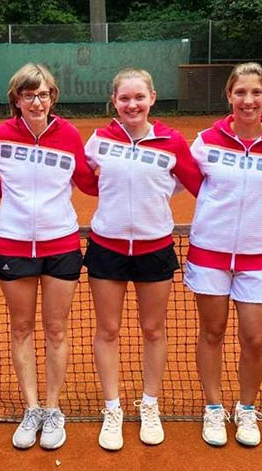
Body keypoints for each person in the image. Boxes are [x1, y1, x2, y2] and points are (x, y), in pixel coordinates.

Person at [0, 63, 98, 450]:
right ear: (17, 99)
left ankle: (53, 408)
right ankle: (31, 409)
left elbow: (87, 181)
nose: (36, 101)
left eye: (43, 94)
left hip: (61, 244)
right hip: (14, 245)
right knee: (21, 328)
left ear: (53, 97)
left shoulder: (68, 136)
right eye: (28, 95)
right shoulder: (0, 136)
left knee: (57, 329)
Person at [83, 68, 202, 450]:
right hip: (107, 248)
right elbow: (86, 180)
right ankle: (112, 408)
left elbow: (190, 182)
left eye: (138, 97)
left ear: (152, 97)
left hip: (154, 249)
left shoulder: (172, 141)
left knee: (153, 329)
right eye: (124, 98)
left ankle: (149, 404)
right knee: (108, 330)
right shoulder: (99, 140)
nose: (131, 105)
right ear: (114, 102)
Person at [186, 63, 262, 447]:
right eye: (240, 93)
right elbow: (179, 180)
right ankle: (214, 408)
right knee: (212, 332)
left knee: (254, 338)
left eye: (255, 93)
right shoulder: (205, 141)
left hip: (258, 257)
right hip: (209, 254)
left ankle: (246, 409)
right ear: (229, 96)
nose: (247, 101)